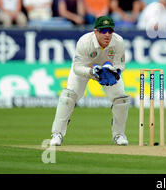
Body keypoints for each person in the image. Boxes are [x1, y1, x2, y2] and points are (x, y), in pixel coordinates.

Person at [49, 16, 129, 146]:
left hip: (107, 72)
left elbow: (121, 65)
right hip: (86, 69)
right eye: (103, 31)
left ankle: (119, 135)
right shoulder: (84, 42)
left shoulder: (118, 41)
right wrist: (92, 72)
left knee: (121, 99)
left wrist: (113, 72)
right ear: (95, 31)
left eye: (110, 31)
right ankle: (57, 134)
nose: (107, 34)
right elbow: (77, 67)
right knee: (69, 96)